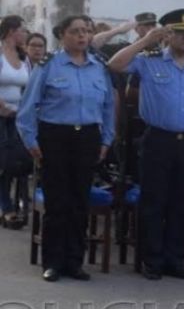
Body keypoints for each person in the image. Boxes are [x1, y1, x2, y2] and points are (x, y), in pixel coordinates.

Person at [107, 8, 184, 280]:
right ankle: (152, 260)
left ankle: (174, 259)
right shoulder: (148, 60)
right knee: (154, 201)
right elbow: (115, 65)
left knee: (182, 202)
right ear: (168, 35)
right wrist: (145, 40)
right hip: (158, 139)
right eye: (180, 32)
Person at [16, 15, 115, 282]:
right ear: (63, 35)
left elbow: (108, 108)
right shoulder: (49, 65)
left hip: (88, 137)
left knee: (79, 201)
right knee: (58, 201)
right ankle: (53, 262)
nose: (82, 36)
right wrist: (31, 142)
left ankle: (74, 261)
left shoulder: (99, 67)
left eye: (86, 31)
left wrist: (106, 139)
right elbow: (27, 107)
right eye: (76, 31)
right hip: (55, 136)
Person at [0, 15, 31, 229]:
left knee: (15, 162)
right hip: (1, 113)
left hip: (17, 115)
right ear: (12, 31)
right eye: (22, 30)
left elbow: (27, 87)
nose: (25, 34)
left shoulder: (23, 57)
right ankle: (7, 207)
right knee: (2, 163)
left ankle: (11, 204)